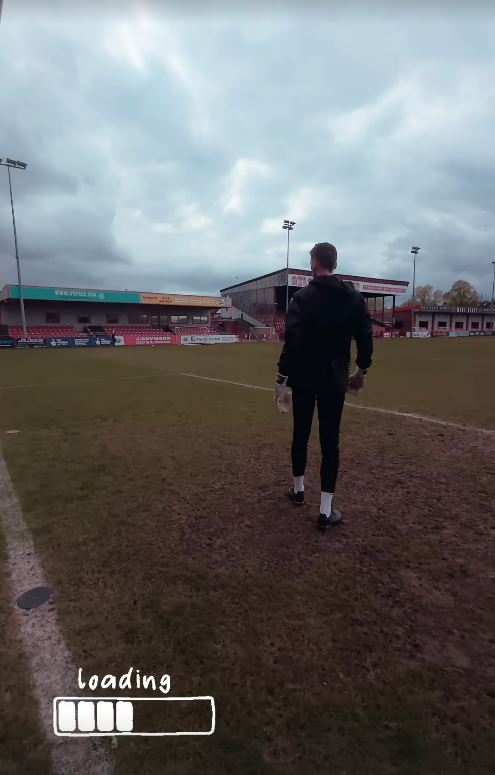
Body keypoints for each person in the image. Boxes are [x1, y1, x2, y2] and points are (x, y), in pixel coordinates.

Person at [275, 242, 373, 532]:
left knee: (300, 434)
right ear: (334, 263)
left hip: (304, 379)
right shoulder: (353, 298)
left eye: (310, 260)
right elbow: (365, 339)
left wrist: (281, 380)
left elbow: (291, 344)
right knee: (330, 442)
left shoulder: (301, 299)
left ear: (315, 263)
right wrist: (361, 370)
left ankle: (298, 491)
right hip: (334, 380)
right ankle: (325, 511)